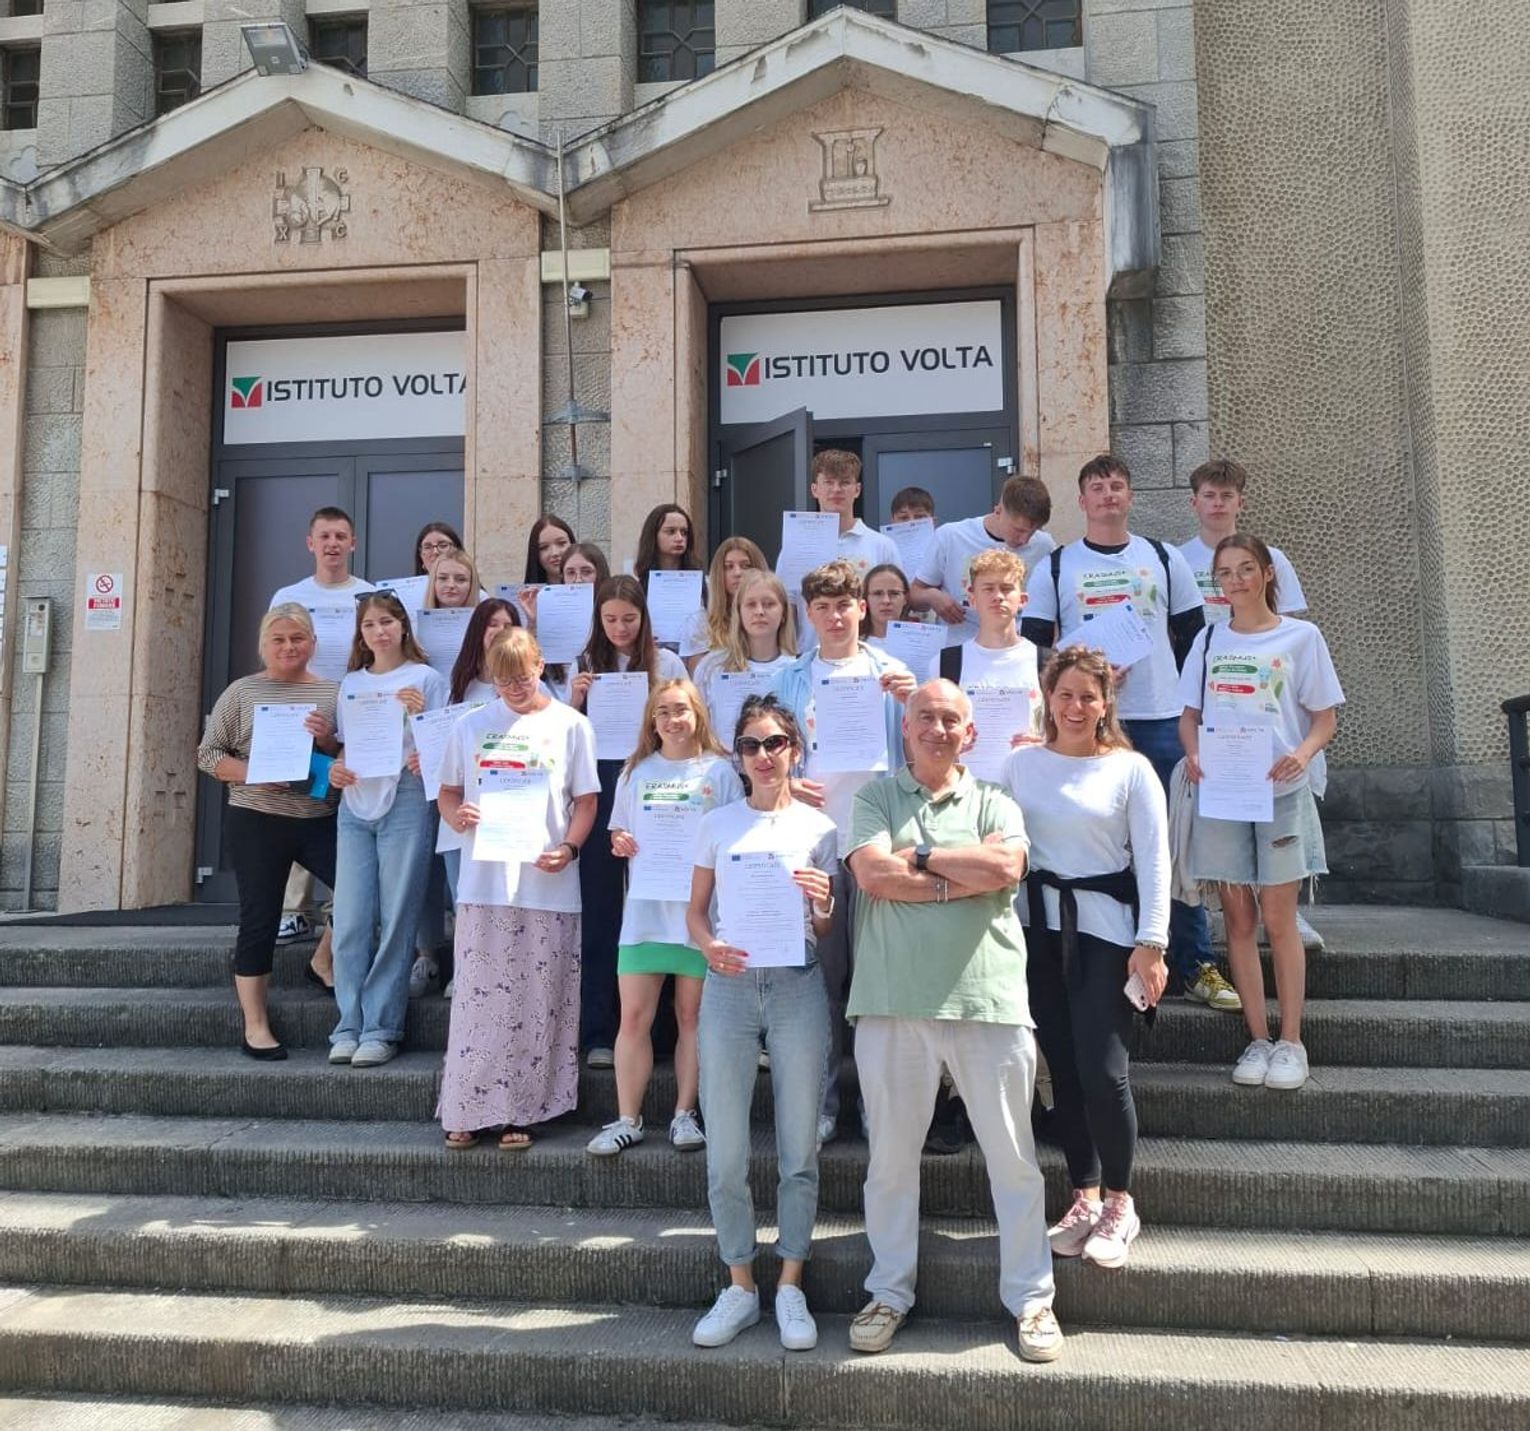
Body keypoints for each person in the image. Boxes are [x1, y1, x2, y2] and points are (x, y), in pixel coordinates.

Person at [844, 680, 1060, 1363]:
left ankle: (1032, 1300)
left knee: (1013, 1162)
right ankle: (888, 1292)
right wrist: (958, 878)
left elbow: (1005, 866)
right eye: (926, 717)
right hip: (892, 1000)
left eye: (950, 720)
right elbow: (872, 876)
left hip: (986, 1000)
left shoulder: (996, 799)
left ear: (971, 733)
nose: (938, 729)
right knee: (889, 1164)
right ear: (906, 727)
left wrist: (919, 856)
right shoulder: (874, 798)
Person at [1021, 454, 1235, 1014]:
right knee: (1093, 840)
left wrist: (1195, 714)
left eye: (1117, 486)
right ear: (1082, 501)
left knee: (1171, 843)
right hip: (1084, 722)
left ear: (1130, 496)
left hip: (1159, 717)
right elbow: (1035, 647)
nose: (1108, 495)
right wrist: (1086, 678)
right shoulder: (1057, 566)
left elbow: (1193, 639)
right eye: (1097, 488)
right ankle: (1108, 956)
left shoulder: (1162, 558)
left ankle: (1193, 961)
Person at [1004, 646, 1169, 1272]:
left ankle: (1121, 1202)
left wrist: (1152, 943)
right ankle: (1085, 1194)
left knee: (1104, 1071)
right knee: (1064, 1071)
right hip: (1037, 931)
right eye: (1065, 694)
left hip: (1107, 934)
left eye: (1088, 697)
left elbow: (1154, 861)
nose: (1076, 707)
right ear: (1048, 698)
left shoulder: (1130, 769)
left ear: (1106, 704)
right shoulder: (1020, 765)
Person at [686, 696, 838, 1351]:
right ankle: (741, 1284)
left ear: (795, 749)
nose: (764, 755)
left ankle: (791, 1283)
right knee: (725, 1151)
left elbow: (825, 928)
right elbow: (696, 912)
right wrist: (707, 946)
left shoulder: (821, 827)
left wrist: (825, 904)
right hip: (729, 987)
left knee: (798, 1148)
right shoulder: (716, 824)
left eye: (775, 742)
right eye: (751, 745)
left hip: (797, 983)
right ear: (739, 758)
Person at [1179, 535, 1344, 1092]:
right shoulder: (1208, 639)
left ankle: (1291, 1040)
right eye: (1225, 572)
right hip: (1224, 793)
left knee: (1278, 918)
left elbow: (1324, 718)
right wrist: (1194, 753)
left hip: (1280, 791)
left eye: (1246, 569)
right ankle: (1257, 1037)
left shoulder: (1301, 636)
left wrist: (1302, 754)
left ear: (1268, 573)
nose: (1235, 581)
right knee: (1239, 922)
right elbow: (1189, 716)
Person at [771, 559, 915, 1145]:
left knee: (879, 981)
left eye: (844, 605)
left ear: (862, 608)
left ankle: (878, 1104)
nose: (835, 617)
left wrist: (913, 703)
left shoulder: (894, 674)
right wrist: (787, 783)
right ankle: (824, 1101)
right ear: (809, 613)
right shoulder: (790, 678)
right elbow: (764, 755)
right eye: (823, 607)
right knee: (821, 984)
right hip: (815, 847)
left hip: (878, 844)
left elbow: (928, 753)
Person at [437, 628, 599, 1150]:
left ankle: (522, 1111)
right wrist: (456, 815)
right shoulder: (470, 725)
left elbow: (587, 801)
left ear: (540, 665)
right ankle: (465, 1107)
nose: (514, 689)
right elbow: (447, 792)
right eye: (504, 681)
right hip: (484, 882)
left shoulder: (571, 725)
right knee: (477, 1002)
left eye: (523, 677)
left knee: (537, 1001)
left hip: (547, 883)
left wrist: (569, 848)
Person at [587, 679, 744, 1157]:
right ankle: (627, 1119)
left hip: (698, 915)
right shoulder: (635, 771)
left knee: (691, 1017)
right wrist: (619, 841)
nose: (673, 720)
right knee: (634, 1017)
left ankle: (684, 1114)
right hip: (646, 912)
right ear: (651, 721)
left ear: (698, 713)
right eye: (663, 712)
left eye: (681, 710)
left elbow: (734, 834)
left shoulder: (720, 772)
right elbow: (618, 831)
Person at [197, 604, 341, 1058]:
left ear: (313, 643)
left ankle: (322, 960)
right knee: (260, 918)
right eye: (278, 639)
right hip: (257, 819)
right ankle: (255, 1025)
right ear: (263, 644)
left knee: (362, 893)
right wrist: (253, 772)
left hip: (318, 818)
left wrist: (327, 739)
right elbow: (208, 754)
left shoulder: (332, 693)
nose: (288, 647)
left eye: (297, 638)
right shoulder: (242, 692)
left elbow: (348, 755)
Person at [566, 575, 689, 1067]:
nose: (620, 628)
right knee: (600, 909)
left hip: (656, 782)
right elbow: (566, 733)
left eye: (629, 619)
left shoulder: (668, 663)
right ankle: (599, 1031)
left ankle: (660, 1033)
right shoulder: (584, 662)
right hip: (598, 783)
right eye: (611, 619)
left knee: (659, 902)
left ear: (645, 618)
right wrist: (575, 701)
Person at [327, 592, 449, 1068]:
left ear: (403, 627)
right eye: (370, 625)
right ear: (360, 634)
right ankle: (347, 1024)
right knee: (351, 920)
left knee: (397, 917)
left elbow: (444, 750)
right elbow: (346, 745)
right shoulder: (351, 683)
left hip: (406, 798)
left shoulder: (427, 679)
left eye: (387, 622)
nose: (379, 632)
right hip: (355, 802)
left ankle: (380, 1027)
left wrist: (419, 717)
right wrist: (335, 768)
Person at [269, 507, 374, 949]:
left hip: (356, 714)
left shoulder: (369, 595)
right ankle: (294, 912)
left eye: (340, 536)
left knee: (346, 810)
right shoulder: (289, 595)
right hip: (301, 713)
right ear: (310, 543)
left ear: (353, 543)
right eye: (325, 536)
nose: (333, 544)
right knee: (300, 806)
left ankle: (337, 910)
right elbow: (274, 652)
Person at [911, 475, 1054, 648]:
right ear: (998, 511)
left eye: (1033, 532)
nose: (1024, 540)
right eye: (1018, 530)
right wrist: (933, 597)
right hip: (957, 649)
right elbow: (914, 593)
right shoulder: (950, 537)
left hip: (1013, 650)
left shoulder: (1044, 545)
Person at [937, 549, 1045, 772]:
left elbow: (1066, 735)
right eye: (988, 589)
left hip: (1029, 784)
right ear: (972, 599)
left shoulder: (1047, 662)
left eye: (1006, 588)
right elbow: (930, 734)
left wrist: (1046, 745)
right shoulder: (945, 663)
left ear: (1023, 599)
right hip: (965, 788)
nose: (998, 597)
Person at [1180, 460, 1307, 626]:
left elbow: (1288, 626)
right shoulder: (1176, 559)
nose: (1218, 503)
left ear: (1240, 503)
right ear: (1194, 503)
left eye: (1227, 496)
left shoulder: (1271, 558)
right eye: (1209, 496)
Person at [693, 569, 799, 736]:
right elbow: (698, 728)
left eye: (769, 604)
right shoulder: (712, 667)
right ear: (739, 612)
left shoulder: (797, 671)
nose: (760, 611)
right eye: (751, 604)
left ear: (784, 613)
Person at [690, 536, 768, 670]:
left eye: (745, 566)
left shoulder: (771, 616)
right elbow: (697, 677)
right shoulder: (700, 622)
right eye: (728, 567)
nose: (737, 573)